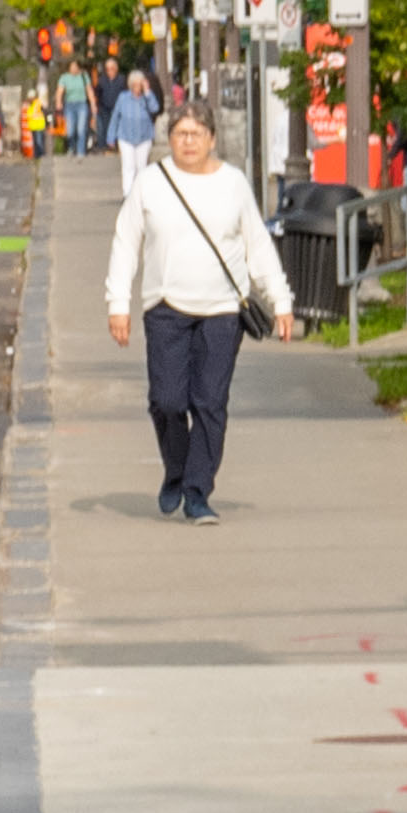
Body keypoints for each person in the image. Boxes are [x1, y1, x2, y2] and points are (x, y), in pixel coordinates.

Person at [108, 96, 297, 518]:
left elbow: (258, 246)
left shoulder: (233, 184)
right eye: (180, 134)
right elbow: (126, 244)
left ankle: (197, 491)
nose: (188, 142)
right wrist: (117, 302)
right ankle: (175, 468)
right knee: (168, 400)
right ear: (169, 139)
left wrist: (280, 301)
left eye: (196, 134)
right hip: (166, 307)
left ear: (212, 139)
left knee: (209, 402)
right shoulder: (151, 183)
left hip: (222, 311)